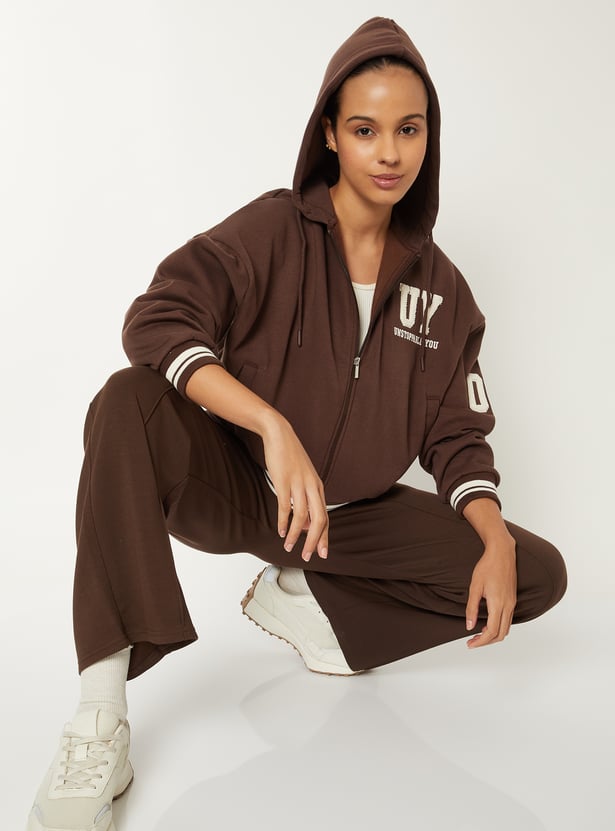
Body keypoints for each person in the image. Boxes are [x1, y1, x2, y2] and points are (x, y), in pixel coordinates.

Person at [27, 16, 567, 831]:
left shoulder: (443, 290)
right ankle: (99, 719)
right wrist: (270, 426)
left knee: (535, 572)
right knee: (124, 400)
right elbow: (158, 319)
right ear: (330, 135)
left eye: (408, 129)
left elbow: (456, 434)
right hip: (242, 490)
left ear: (429, 137)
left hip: (350, 524)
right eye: (365, 129)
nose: (389, 153)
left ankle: (312, 604)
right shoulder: (274, 231)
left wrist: (491, 537)